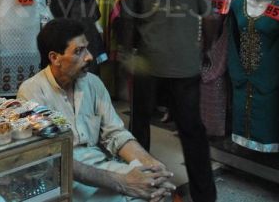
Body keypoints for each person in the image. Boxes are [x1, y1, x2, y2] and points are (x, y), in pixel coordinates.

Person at [18, 18, 175, 202]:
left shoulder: (93, 83)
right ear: (55, 58)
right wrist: (121, 181)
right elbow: (52, 159)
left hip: (101, 167)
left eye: (86, 48)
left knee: (159, 187)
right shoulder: (32, 92)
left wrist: (151, 164)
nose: (89, 57)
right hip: (63, 179)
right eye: (78, 51)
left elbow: (116, 134)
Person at [121, 0, 217, 202]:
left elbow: (128, 22)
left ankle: (143, 190)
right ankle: (205, 195)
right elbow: (210, 18)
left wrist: (127, 53)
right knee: (192, 131)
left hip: (150, 65)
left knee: (140, 126)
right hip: (185, 66)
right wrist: (204, 49)